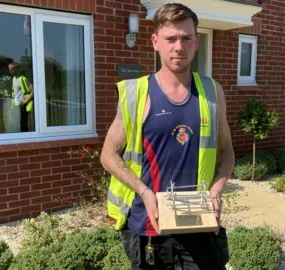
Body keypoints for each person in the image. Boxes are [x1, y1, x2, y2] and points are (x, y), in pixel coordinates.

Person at [100, 3, 235, 270]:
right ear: (155, 42)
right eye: (170, 38)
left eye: (186, 38)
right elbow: (108, 155)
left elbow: (227, 152)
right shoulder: (136, 94)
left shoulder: (212, 91)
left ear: (196, 42)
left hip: (197, 218)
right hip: (148, 219)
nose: (178, 46)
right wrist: (144, 191)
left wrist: (217, 189)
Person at [8, 62, 33, 132]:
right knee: (14, 124)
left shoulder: (23, 79)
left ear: (17, 69)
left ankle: (26, 140)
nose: (10, 71)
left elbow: (33, 91)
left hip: (23, 105)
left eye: (12, 69)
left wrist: (26, 101)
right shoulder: (13, 79)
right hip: (15, 105)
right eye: (9, 69)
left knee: (23, 125)